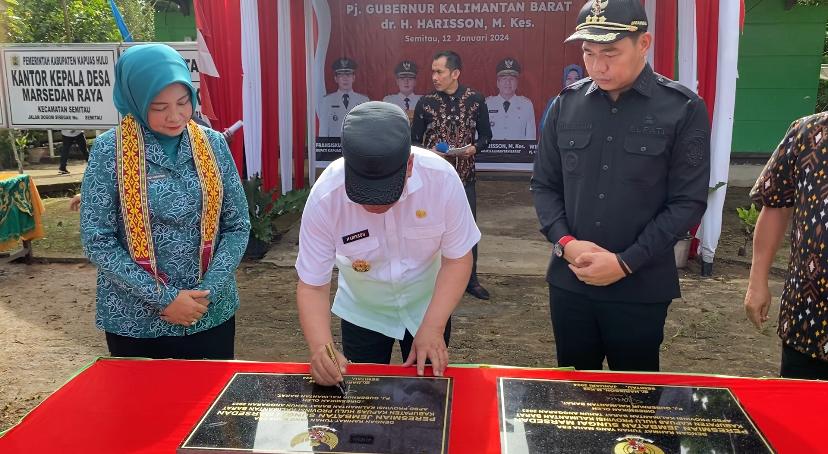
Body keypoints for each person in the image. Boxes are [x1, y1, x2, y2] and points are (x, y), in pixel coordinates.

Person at [530, 0, 710, 372]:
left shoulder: (682, 108)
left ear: (644, 44)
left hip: (640, 286)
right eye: (589, 53)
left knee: (635, 392)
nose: (598, 66)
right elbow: (544, 185)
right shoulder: (566, 105)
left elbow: (687, 202)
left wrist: (626, 263)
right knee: (573, 389)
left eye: (610, 53)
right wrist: (566, 243)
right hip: (571, 280)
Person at [80, 44, 250, 360]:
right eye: (159, 107)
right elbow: (97, 239)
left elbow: (237, 225)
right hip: (137, 319)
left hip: (209, 313)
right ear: (135, 101)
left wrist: (206, 293)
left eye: (183, 102)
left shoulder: (212, 144)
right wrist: (165, 298)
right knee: (143, 392)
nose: (175, 116)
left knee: (210, 390)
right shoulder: (109, 151)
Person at [295, 101, 479, 386]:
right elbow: (312, 284)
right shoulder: (326, 196)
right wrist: (321, 349)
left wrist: (434, 326)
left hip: (427, 305)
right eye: (363, 193)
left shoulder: (441, 180)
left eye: (386, 193)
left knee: (428, 395)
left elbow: (457, 259)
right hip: (363, 310)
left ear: (409, 165)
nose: (375, 205)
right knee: (362, 397)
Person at [745, 113, 828, 380]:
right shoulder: (807, 133)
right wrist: (757, 282)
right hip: (808, 316)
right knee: (801, 403)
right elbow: (775, 206)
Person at [411, 50, 492, 301]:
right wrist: (430, 152)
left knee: (468, 229)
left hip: (465, 177)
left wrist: (474, 148)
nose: (434, 77)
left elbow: (486, 136)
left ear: (455, 73)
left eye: (440, 72)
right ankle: (431, 277)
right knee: (430, 229)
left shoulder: (475, 100)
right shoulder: (426, 103)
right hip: (433, 180)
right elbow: (413, 141)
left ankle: (471, 280)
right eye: (433, 72)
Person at [317, 57, 370, 137]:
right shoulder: (327, 101)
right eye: (341, 75)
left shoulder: (364, 100)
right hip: (335, 144)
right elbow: (323, 131)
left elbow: (366, 129)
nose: (345, 79)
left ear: (353, 78)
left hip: (355, 144)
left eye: (348, 75)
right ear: (336, 79)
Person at [486, 58, 536, 141]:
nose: (508, 83)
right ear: (498, 83)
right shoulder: (487, 104)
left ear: (517, 83)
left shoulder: (526, 105)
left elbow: (531, 137)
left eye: (511, 79)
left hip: (519, 149)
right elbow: (480, 135)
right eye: (504, 79)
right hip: (492, 149)